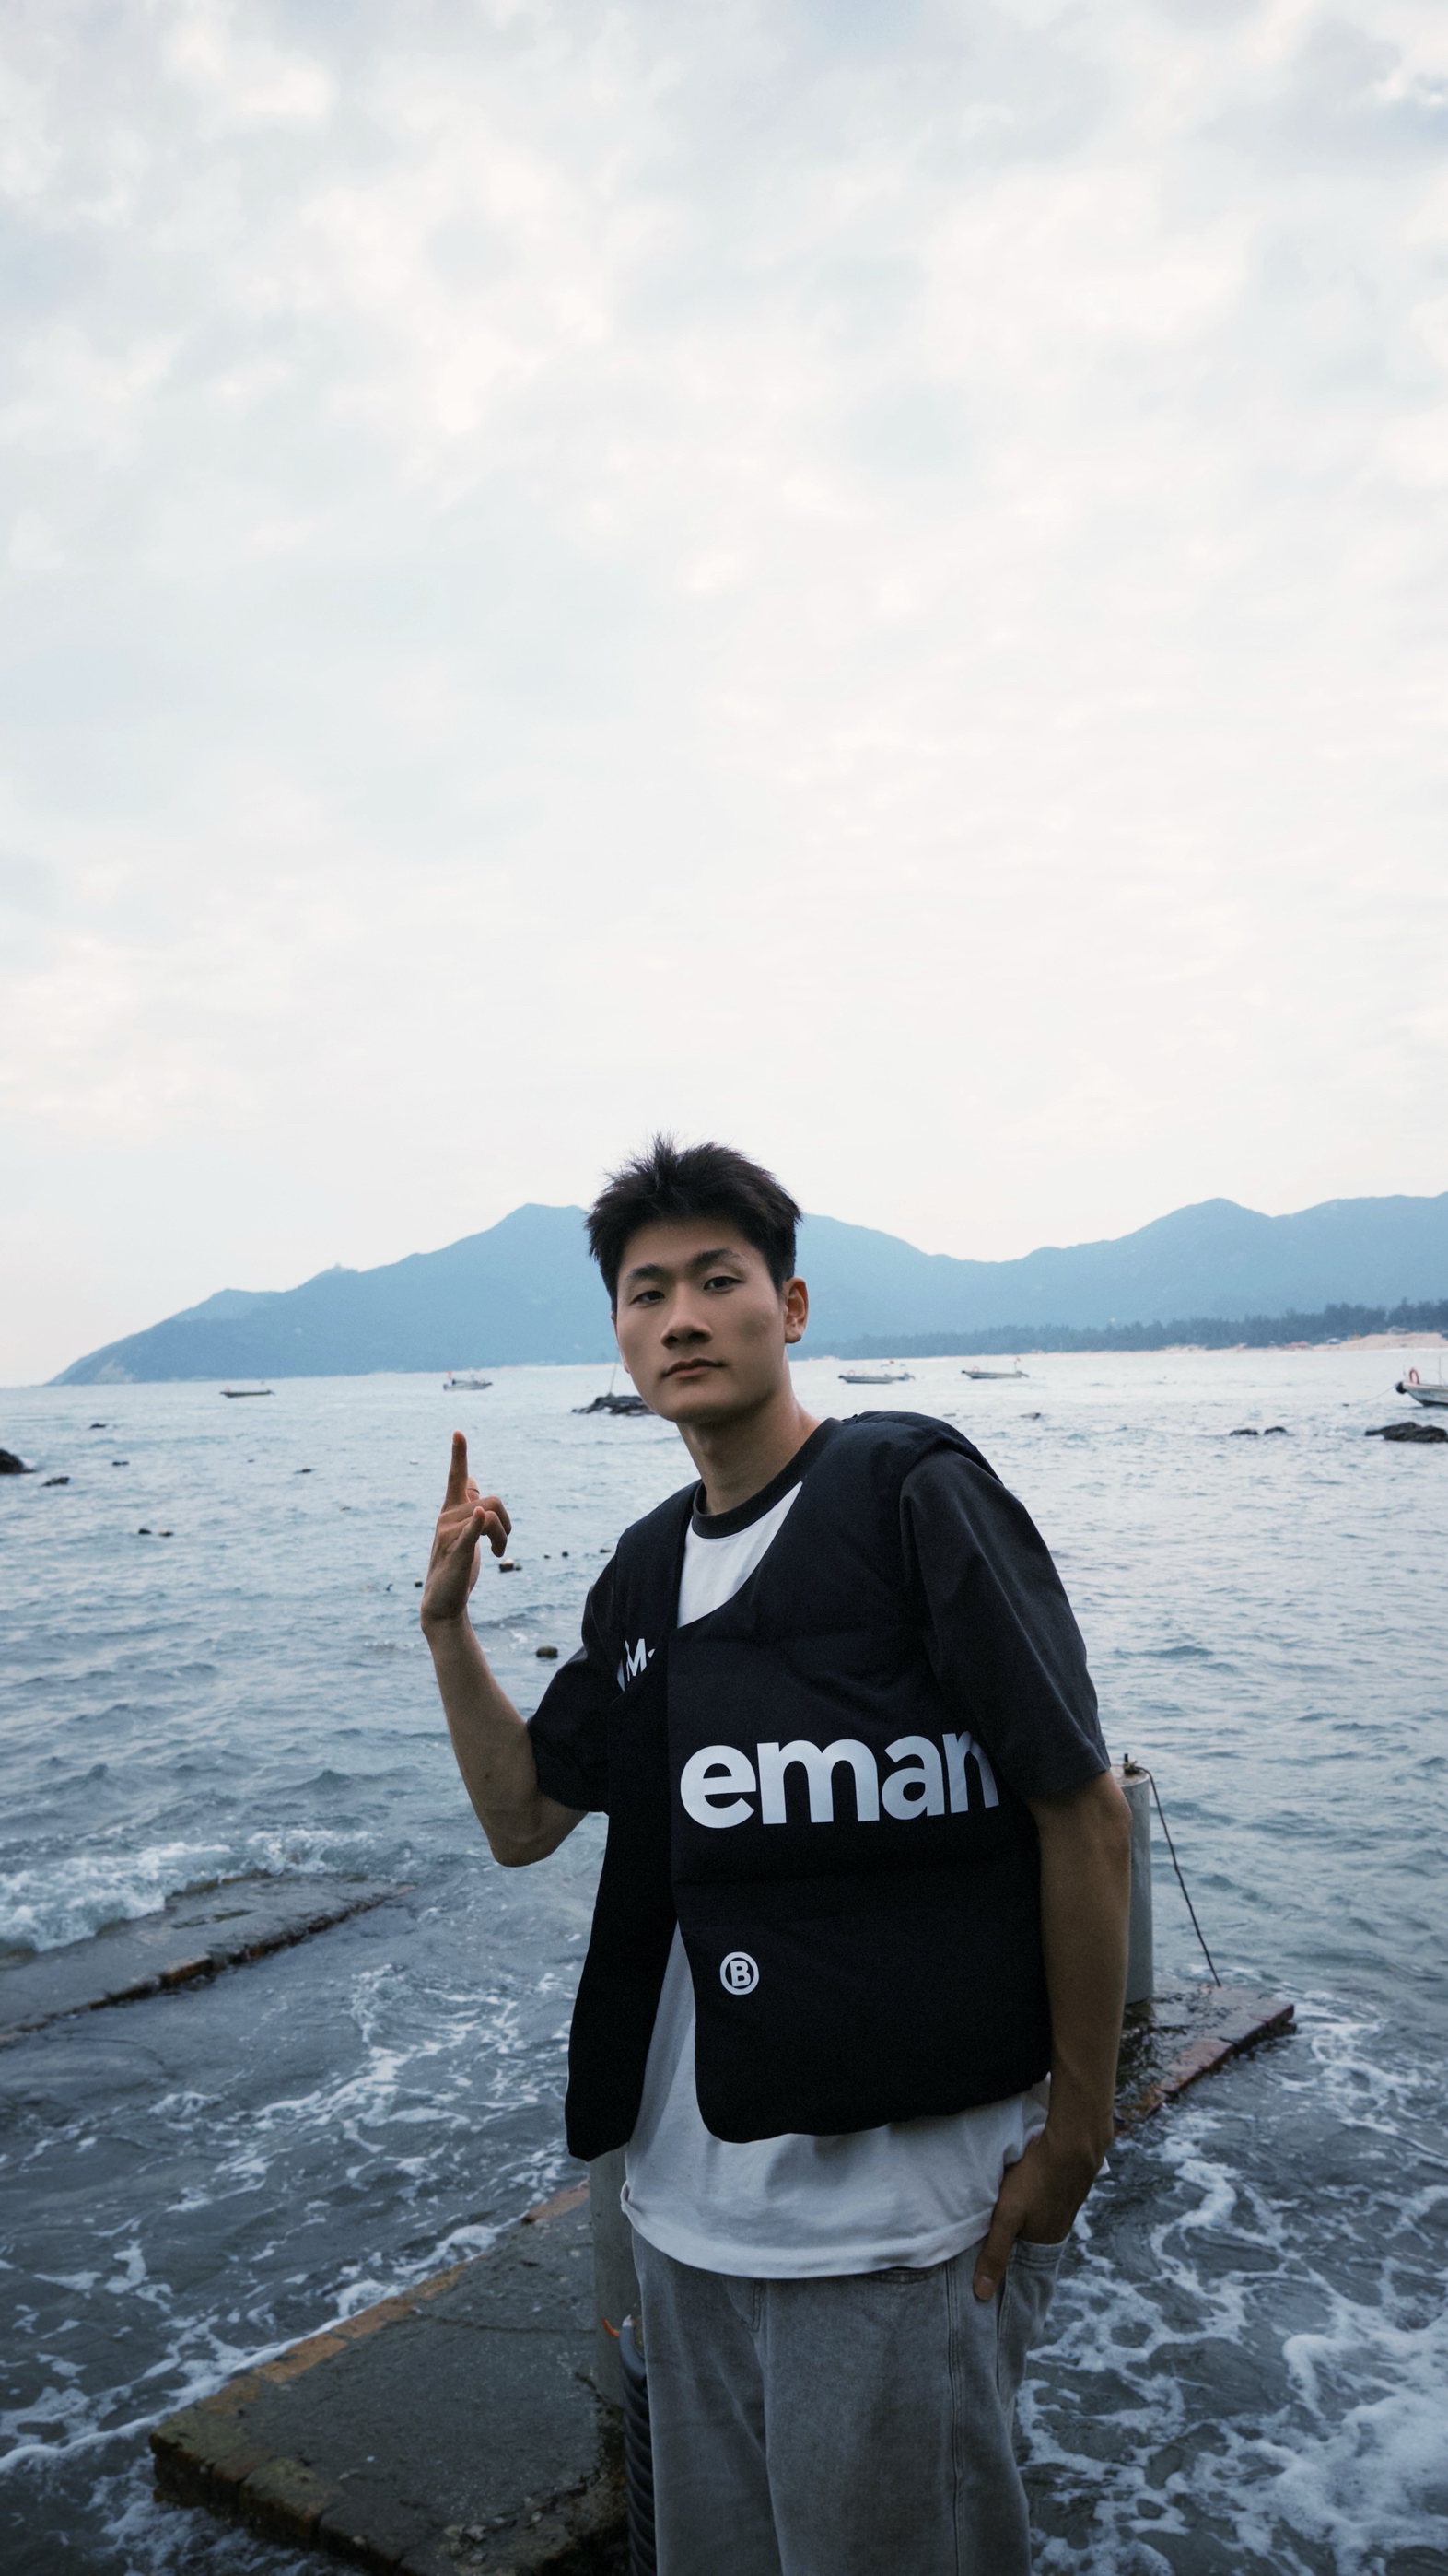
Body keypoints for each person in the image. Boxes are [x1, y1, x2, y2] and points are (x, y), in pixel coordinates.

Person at [421, 1137, 1130, 2576]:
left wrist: (1078, 2129)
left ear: (789, 1307)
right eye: (647, 1293)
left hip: (897, 2228)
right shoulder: (643, 1571)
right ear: (620, 1333)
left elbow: (1083, 1810)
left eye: (717, 1280)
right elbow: (522, 1820)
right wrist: (447, 1627)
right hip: (679, 2216)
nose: (681, 1317)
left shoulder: (909, 1494)